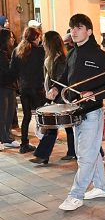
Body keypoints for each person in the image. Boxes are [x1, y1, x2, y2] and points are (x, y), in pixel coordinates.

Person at [50, 13, 105, 211]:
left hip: (92, 112)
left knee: (85, 154)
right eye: (72, 28)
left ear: (89, 31)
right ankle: (102, 187)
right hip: (75, 112)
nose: (73, 31)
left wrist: (97, 93)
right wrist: (57, 88)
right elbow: (65, 77)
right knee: (89, 153)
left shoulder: (100, 55)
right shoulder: (73, 53)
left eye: (79, 27)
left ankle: (76, 194)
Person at [30, 30, 76, 164]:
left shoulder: (61, 60)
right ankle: (71, 152)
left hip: (62, 97)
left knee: (55, 125)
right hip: (57, 97)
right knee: (68, 126)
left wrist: (54, 93)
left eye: (44, 41)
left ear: (50, 43)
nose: (42, 44)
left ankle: (43, 155)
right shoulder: (53, 59)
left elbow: (62, 81)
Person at [10, 26, 45, 154]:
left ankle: (24, 144)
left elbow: (13, 71)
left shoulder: (16, 51)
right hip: (37, 88)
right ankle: (44, 145)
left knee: (26, 116)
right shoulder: (40, 51)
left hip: (24, 88)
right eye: (38, 37)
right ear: (35, 37)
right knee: (43, 117)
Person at [0, 29, 19, 151]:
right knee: (2, 114)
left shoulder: (10, 52)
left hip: (10, 86)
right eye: (10, 37)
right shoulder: (1, 54)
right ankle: (3, 137)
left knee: (9, 114)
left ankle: (7, 137)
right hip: (2, 86)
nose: (12, 39)